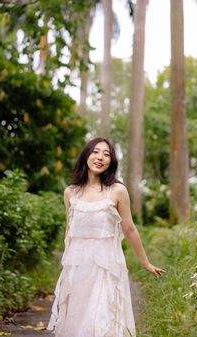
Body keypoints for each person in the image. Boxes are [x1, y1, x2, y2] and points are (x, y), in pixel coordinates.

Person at [47, 137, 165, 337]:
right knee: (77, 320)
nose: (100, 157)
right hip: (77, 267)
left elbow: (129, 229)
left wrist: (146, 263)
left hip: (106, 267)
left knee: (102, 320)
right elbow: (70, 230)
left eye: (106, 154)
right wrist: (67, 266)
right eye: (95, 152)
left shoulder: (117, 191)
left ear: (112, 161)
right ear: (86, 155)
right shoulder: (70, 193)